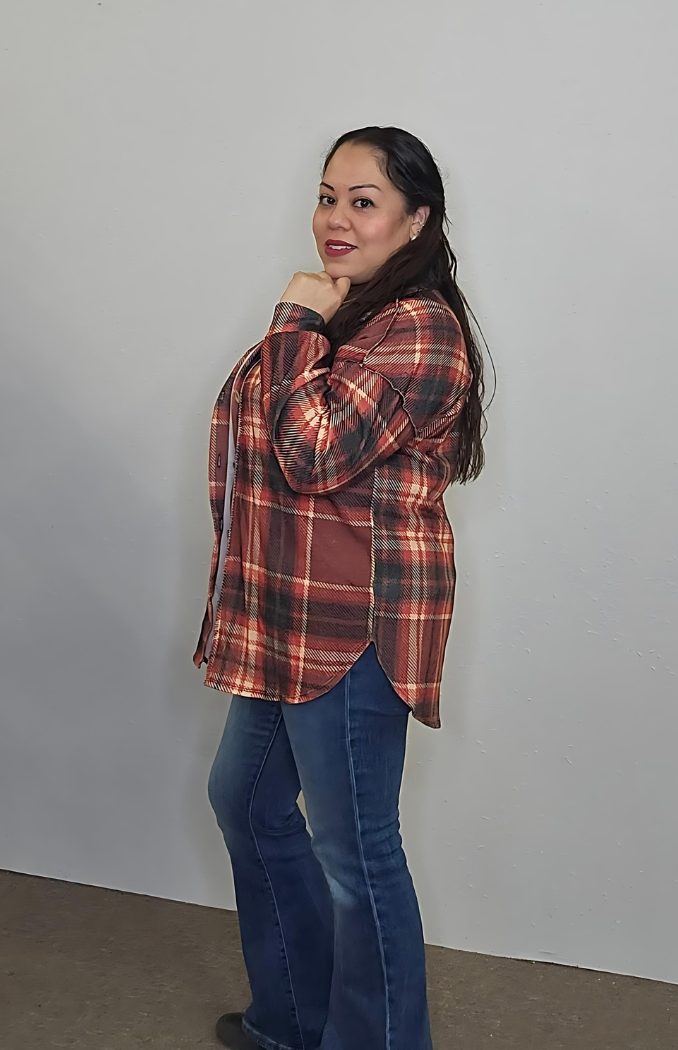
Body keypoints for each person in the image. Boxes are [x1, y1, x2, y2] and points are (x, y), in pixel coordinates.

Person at [193, 125, 489, 1050]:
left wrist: (294, 320)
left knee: (357, 854)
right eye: (329, 195)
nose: (335, 218)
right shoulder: (350, 310)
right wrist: (312, 320)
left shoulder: (419, 329)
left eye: (363, 201)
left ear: (417, 219)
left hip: (352, 627)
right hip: (285, 616)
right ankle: (293, 1020)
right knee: (245, 802)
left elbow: (308, 450)